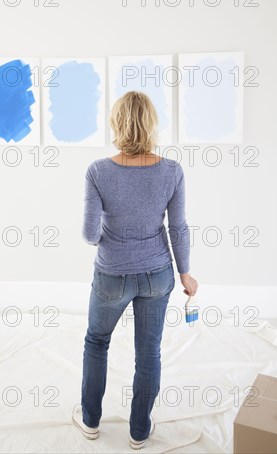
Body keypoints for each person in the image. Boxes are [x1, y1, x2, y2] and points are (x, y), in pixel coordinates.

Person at [72, 90, 198, 449]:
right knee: (149, 352)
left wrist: (109, 234)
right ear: (151, 124)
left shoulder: (98, 171)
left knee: (97, 342)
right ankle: (139, 431)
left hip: (112, 274)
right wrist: (185, 272)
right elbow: (178, 227)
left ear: (116, 123)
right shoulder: (172, 170)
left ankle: (91, 421)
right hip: (158, 275)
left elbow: (88, 233)